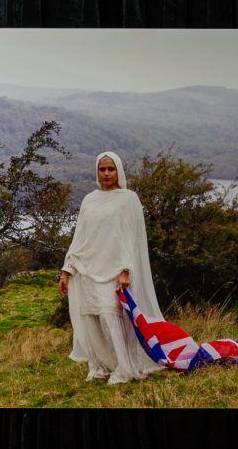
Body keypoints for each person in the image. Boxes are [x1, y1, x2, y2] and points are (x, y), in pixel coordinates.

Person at [58, 152, 166, 384]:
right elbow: (80, 237)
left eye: (111, 169)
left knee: (110, 316)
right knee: (91, 319)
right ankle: (100, 367)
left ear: (118, 170)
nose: (106, 173)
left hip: (114, 269)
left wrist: (126, 269)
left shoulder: (128, 198)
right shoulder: (89, 199)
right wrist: (67, 271)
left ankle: (124, 368)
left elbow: (130, 238)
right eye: (102, 169)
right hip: (86, 268)